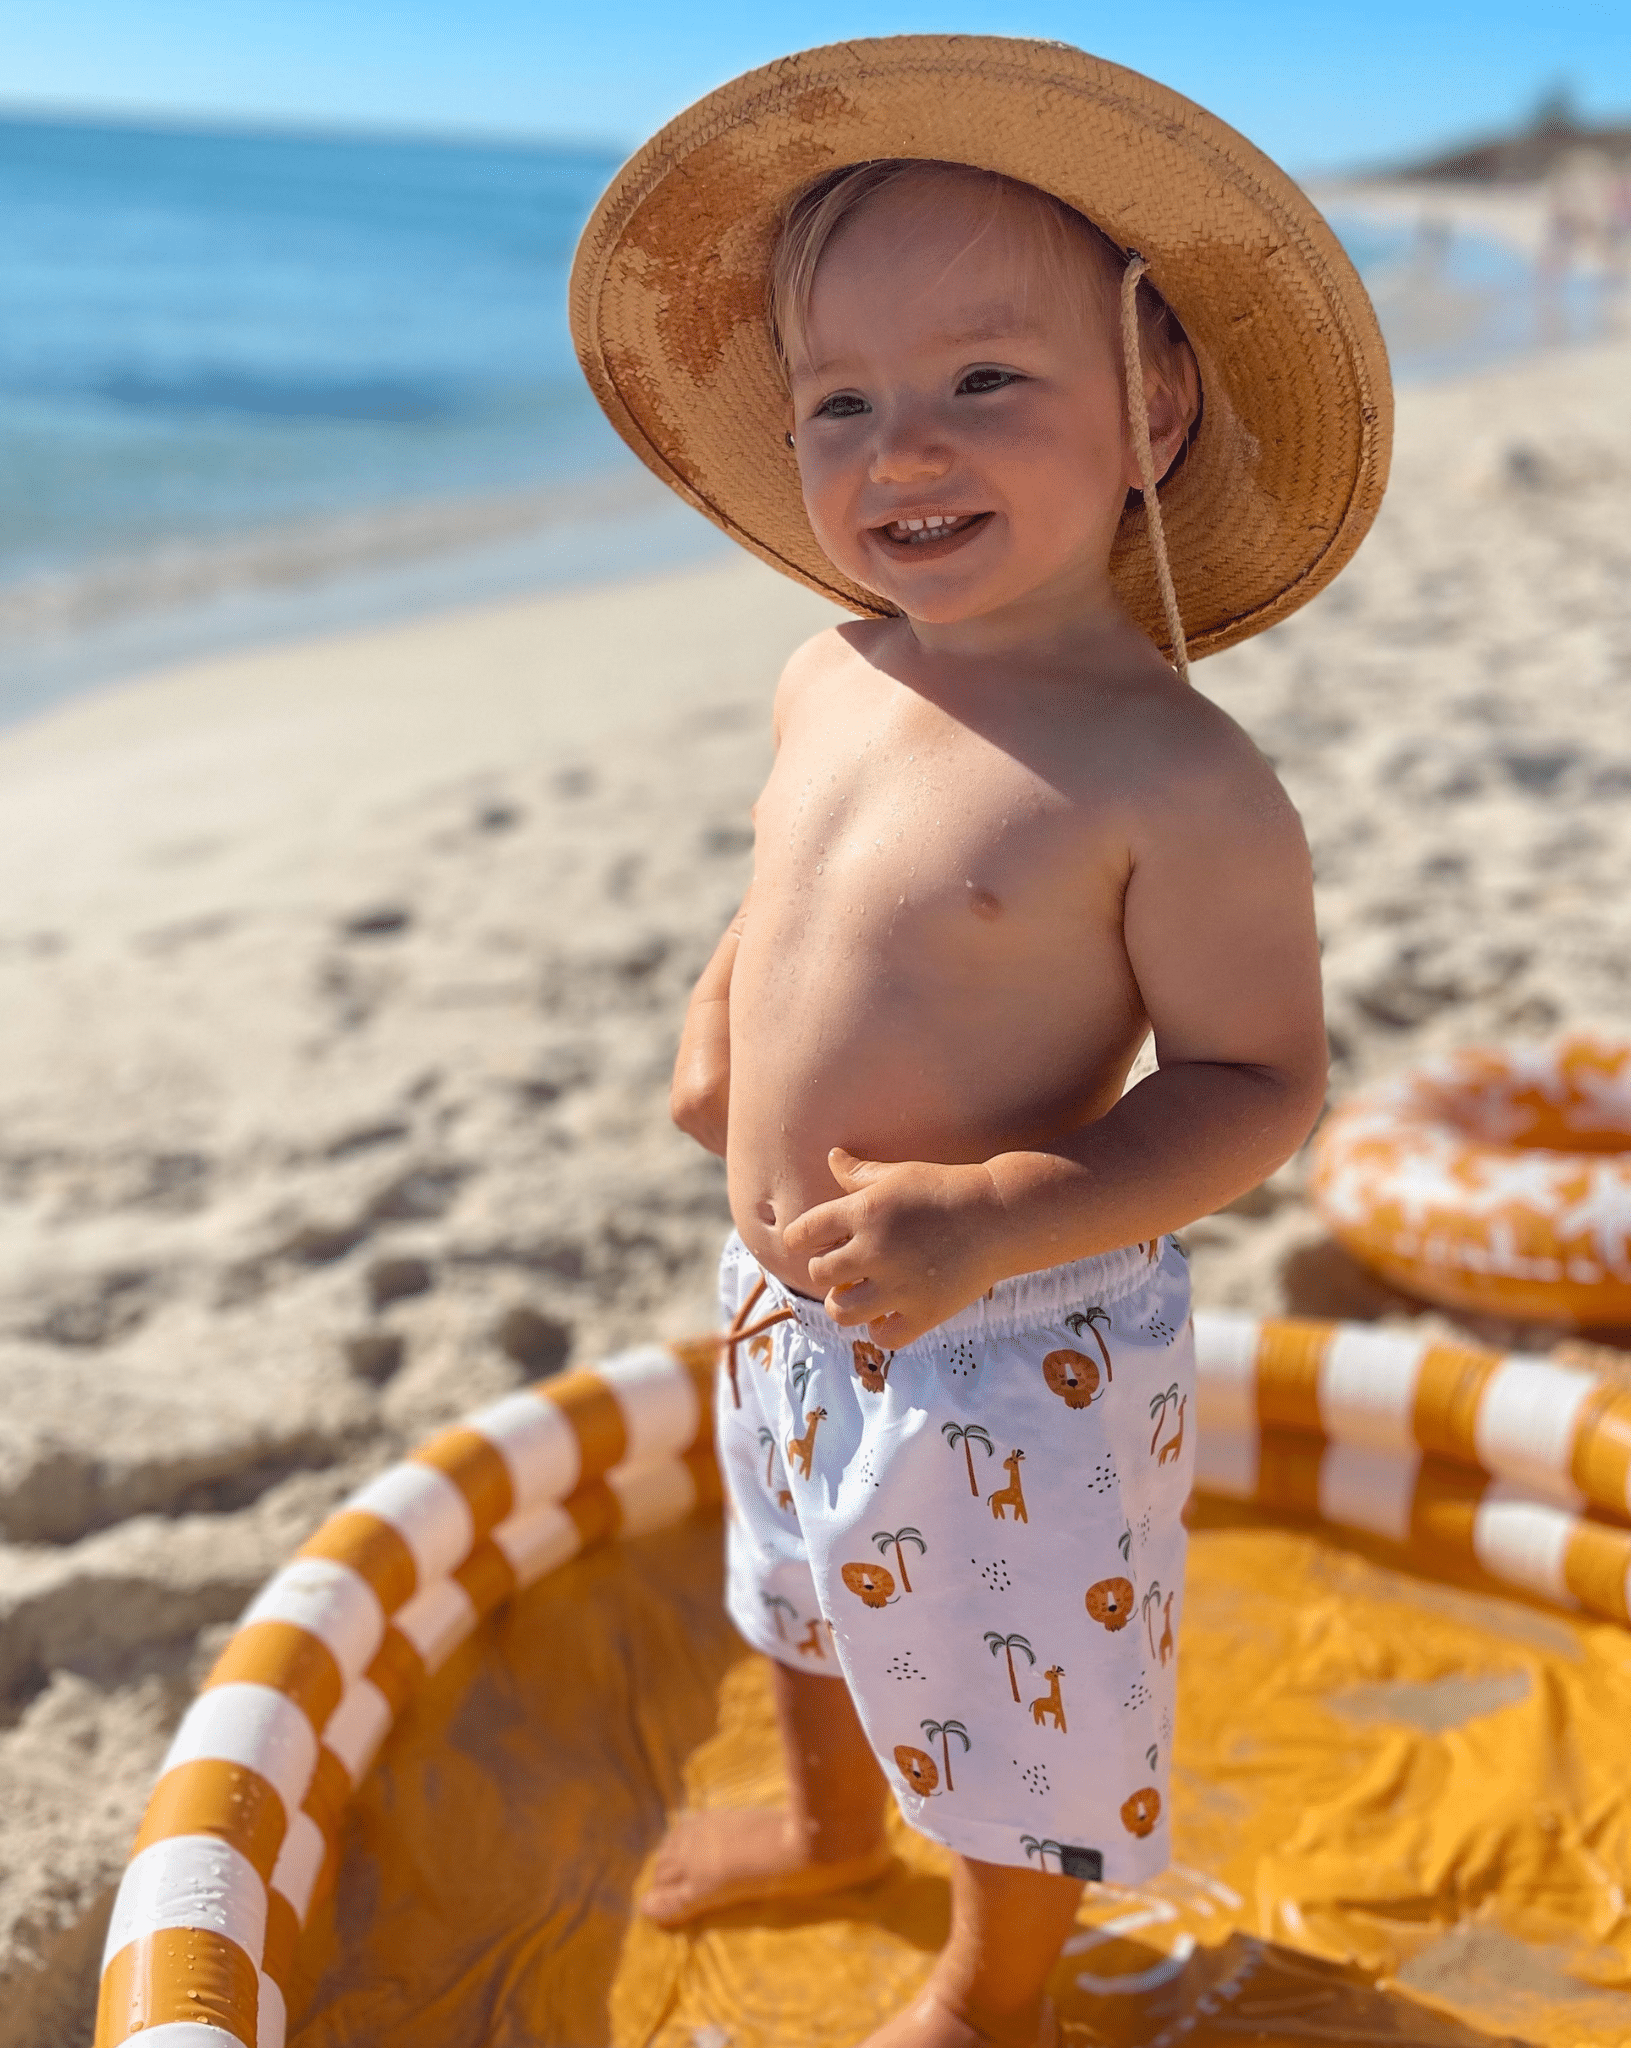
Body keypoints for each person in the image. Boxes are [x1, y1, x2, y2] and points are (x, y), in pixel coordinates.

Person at [569, 39, 1390, 2048]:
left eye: (980, 382)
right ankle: (834, 1823)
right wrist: (716, 1012)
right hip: (782, 1292)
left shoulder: (1174, 779)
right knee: (802, 1589)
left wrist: (1006, 1210)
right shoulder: (827, 668)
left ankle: (988, 1982)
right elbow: (786, 883)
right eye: (840, 401)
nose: (895, 448)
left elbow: (1255, 1085)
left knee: (1007, 1683)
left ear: (1153, 406)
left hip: (1009, 1344)